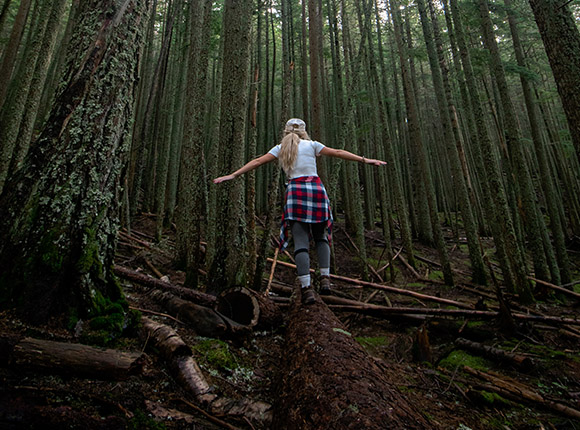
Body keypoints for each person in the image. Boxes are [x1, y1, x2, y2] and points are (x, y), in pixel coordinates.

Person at [213, 118, 386, 305]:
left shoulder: (280, 148)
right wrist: (364, 160)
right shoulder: (312, 145)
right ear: (304, 131)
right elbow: (337, 152)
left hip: (295, 192)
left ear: (286, 131)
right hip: (316, 189)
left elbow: (257, 161)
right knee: (321, 237)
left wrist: (234, 175)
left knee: (301, 241)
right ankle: (325, 279)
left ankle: (306, 288)